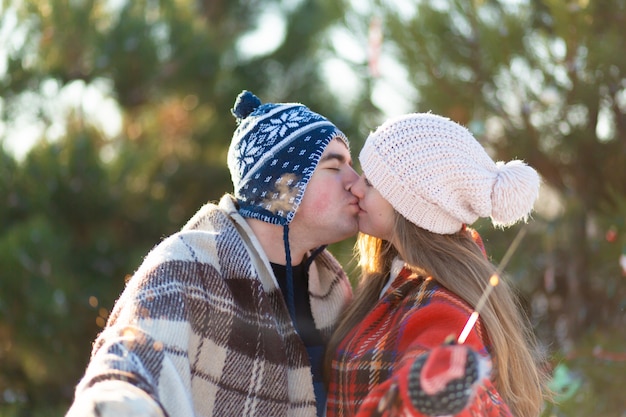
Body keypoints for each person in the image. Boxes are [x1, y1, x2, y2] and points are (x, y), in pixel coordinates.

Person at [66, 90, 361, 417]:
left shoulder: (333, 288)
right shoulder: (188, 265)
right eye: (334, 166)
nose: (356, 182)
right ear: (282, 184)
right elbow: (132, 363)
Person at [324, 113, 551, 417]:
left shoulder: (441, 306)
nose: (356, 188)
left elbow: (433, 398)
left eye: (372, 182)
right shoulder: (393, 278)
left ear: (410, 205)